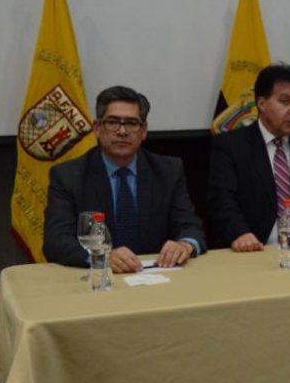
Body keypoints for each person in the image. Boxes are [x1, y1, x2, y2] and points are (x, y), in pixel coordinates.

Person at [43, 86, 206, 273]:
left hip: (156, 277)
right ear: (97, 128)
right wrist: (101, 256)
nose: (122, 131)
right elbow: (56, 241)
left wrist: (185, 245)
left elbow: (190, 225)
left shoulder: (168, 171)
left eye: (131, 123)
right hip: (98, 280)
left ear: (144, 130)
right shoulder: (68, 176)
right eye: (112, 122)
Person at [208, 63, 290, 251]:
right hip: (256, 250)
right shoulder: (231, 146)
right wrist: (240, 234)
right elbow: (223, 201)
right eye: (285, 101)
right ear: (262, 103)